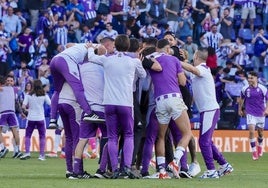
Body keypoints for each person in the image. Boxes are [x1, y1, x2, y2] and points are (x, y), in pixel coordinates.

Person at [87, 34, 146, 179]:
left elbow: (91, 58)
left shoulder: (107, 60)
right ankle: (126, 167)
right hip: (125, 103)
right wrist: (139, 62)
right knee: (129, 135)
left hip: (109, 103)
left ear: (115, 46)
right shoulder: (133, 62)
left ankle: (114, 169)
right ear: (127, 46)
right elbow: (143, 75)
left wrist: (90, 48)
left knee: (112, 137)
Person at [181, 47, 234, 178]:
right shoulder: (198, 70)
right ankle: (224, 164)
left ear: (197, 56)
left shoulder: (204, 69)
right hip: (207, 110)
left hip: (209, 109)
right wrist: (181, 60)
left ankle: (211, 170)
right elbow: (187, 71)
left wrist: (176, 61)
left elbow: (192, 70)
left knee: (203, 142)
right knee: (207, 141)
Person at [147, 39, 192, 179]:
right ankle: (176, 161)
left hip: (159, 100)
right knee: (187, 133)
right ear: (167, 48)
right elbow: (183, 82)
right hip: (174, 97)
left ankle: (161, 171)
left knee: (161, 136)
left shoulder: (150, 60)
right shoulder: (173, 60)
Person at [71, 45, 108, 179]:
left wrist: (89, 48)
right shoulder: (105, 65)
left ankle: (76, 171)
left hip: (87, 109)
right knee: (110, 138)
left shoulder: (81, 67)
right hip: (102, 108)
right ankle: (102, 170)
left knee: (82, 141)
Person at [49, 42, 105, 128]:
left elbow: (68, 45)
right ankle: (89, 113)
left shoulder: (82, 45)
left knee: (57, 90)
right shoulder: (97, 47)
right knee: (78, 88)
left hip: (55, 59)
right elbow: (97, 55)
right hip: (67, 61)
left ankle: (52, 120)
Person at [238, 71, 268, 160]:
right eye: (248, 78)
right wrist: (240, 109)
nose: (249, 79)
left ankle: (260, 146)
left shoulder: (263, 88)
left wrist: (267, 109)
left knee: (260, 133)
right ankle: (254, 151)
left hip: (261, 113)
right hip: (250, 113)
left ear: (256, 78)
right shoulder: (245, 89)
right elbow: (241, 100)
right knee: (251, 131)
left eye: (251, 78)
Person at [20, 79, 51, 161]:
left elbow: (23, 106)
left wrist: (27, 111)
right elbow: (50, 104)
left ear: (33, 85)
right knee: (42, 136)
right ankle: (41, 155)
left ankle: (27, 152)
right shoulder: (44, 94)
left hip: (31, 118)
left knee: (27, 136)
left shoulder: (28, 94)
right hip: (40, 118)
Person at [0, 75, 23, 158]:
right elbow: (17, 101)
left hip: (3, 112)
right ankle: (17, 151)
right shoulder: (15, 90)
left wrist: (21, 112)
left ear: (13, 82)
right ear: (5, 81)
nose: (9, 82)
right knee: (15, 132)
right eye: (8, 80)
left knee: (15, 132)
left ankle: (3, 148)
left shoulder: (2, 89)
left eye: (11, 81)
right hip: (12, 113)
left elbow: (17, 103)